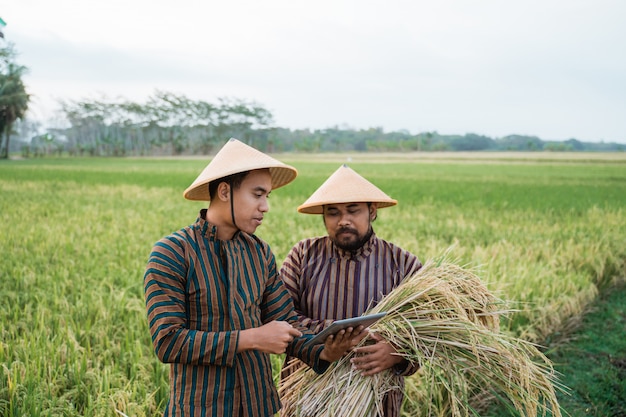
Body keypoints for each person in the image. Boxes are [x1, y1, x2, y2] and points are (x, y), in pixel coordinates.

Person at [144, 139, 364, 417]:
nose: (265, 207)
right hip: (199, 409)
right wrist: (251, 338)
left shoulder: (258, 252)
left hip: (258, 406)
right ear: (225, 191)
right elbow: (168, 342)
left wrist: (325, 353)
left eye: (267, 197)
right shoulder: (173, 252)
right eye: (257, 194)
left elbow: (287, 323)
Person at [279, 164, 423, 417]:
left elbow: (426, 332)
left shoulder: (403, 263)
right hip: (306, 394)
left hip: (376, 399)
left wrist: (397, 353)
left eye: (353, 211)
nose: (343, 220)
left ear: (372, 211)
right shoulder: (302, 255)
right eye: (333, 213)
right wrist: (333, 338)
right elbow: (281, 317)